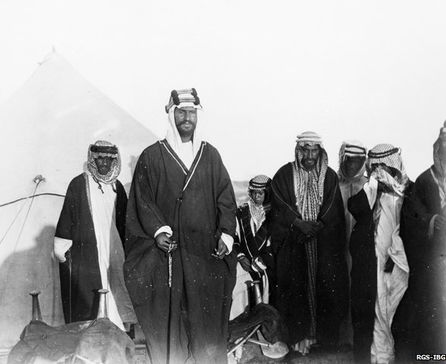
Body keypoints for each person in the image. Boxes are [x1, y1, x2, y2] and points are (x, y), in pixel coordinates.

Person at [124, 89, 237, 364]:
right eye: (181, 112)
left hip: (203, 253)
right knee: (169, 316)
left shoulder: (210, 156)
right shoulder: (152, 156)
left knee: (205, 316)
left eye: (191, 112)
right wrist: (158, 230)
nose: (187, 118)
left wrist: (226, 233)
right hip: (169, 253)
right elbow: (143, 200)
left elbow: (226, 198)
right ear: (171, 114)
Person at [270, 131, 349, 356]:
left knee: (325, 290)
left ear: (320, 152)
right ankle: (298, 343)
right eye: (305, 150)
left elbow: (333, 210)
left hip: (322, 246)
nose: (310, 155)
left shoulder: (330, 177)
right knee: (296, 291)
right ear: (298, 151)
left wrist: (318, 226)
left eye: (314, 150)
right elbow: (278, 204)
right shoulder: (284, 175)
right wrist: (297, 223)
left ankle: (323, 342)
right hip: (295, 246)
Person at [54, 141, 136, 331]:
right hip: (89, 250)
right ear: (93, 160)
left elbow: (126, 223)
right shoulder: (79, 184)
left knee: (116, 287)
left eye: (109, 160)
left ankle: (116, 332)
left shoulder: (117, 188)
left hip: (113, 248)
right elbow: (67, 217)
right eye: (100, 159)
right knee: (90, 292)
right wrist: (62, 249)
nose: (104, 164)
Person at [348, 144, 410, 364]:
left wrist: (395, 259)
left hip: (398, 264)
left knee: (390, 312)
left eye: (383, 167)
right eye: (374, 167)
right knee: (375, 312)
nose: (379, 172)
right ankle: (377, 357)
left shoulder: (408, 192)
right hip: (373, 264)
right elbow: (354, 207)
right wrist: (372, 183)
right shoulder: (371, 192)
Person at [393, 121, 446, 361]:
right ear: (437, 150)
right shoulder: (425, 180)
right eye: (445, 147)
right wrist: (431, 220)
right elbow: (412, 216)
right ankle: (430, 355)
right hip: (432, 257)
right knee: (430, 305)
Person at [337, 140, 367, 349]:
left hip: (363, 249)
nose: (351, 166)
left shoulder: (369, 184)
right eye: (348, 161)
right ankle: (343, 338)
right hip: (338, 248)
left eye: (357, 161)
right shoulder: (334, 185)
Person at [231, 175, 273, 319]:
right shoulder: (241, 212)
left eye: (260, 193)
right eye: (253, 192)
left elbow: (276, 244)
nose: (256, 196)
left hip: (266, 266)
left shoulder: (274, 215)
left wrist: (263, 261)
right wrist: (240, 256)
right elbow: (234, 237)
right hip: (244, 263)